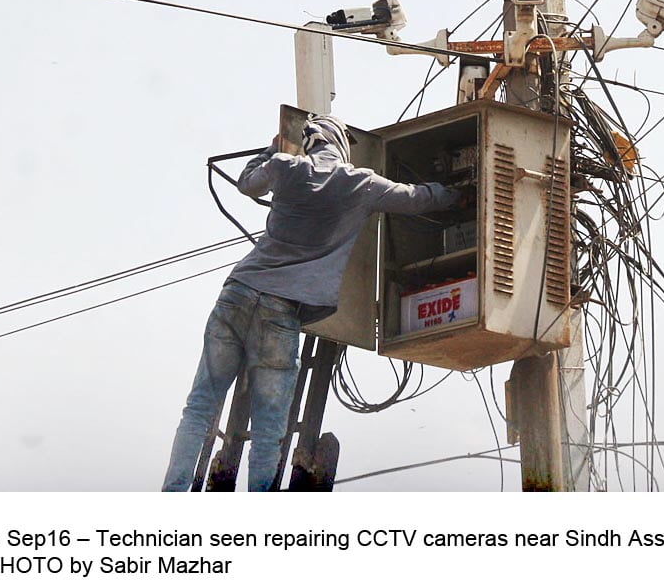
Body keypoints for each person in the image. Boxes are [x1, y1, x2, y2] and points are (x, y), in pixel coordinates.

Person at [162, 114, 459, 491]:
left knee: (200, 407)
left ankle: (172, 492)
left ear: (310, 142)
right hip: (280, 312)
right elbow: (418, 199)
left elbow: (246, 185)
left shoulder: (286, 166)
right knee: (270, 427)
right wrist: (457, 192)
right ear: (341, 145)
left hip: (237, 292)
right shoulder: (362, 184)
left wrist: (272, 148)